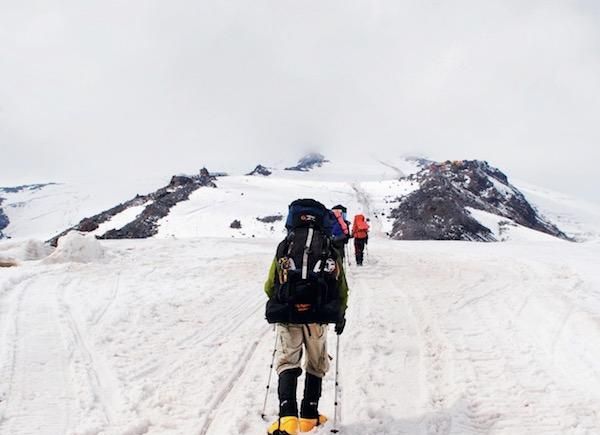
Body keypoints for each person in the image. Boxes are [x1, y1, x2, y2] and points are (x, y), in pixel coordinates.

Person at [264, 199, 349, 435]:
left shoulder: (285, 246)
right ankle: (310, 415)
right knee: (316, 362)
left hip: (288, 313)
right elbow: (341, 286)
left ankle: (287, 418)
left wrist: (285, 299)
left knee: (287, 361)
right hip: (318, 315)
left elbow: (270, 286)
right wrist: (340, 313)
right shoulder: (329, 247)